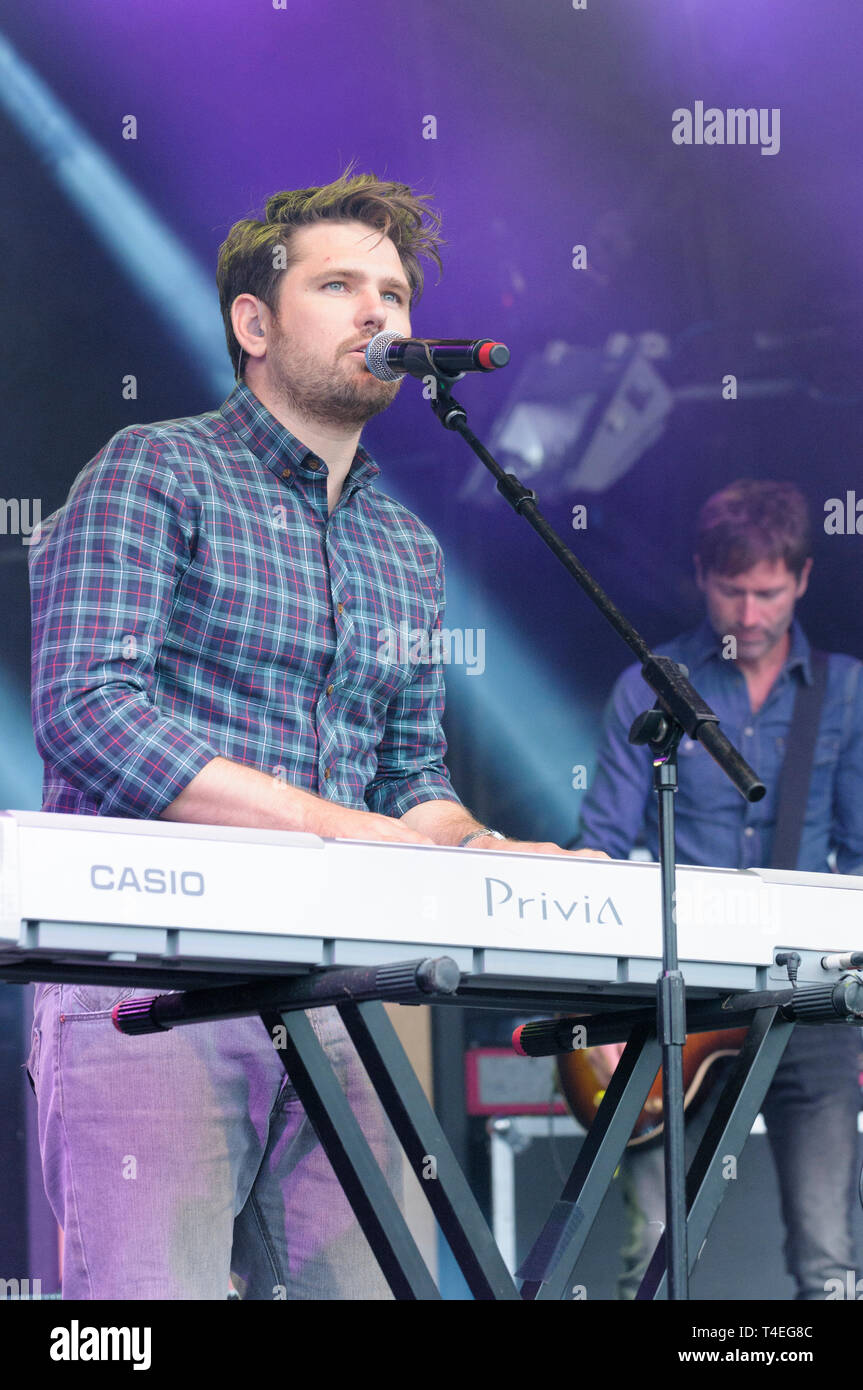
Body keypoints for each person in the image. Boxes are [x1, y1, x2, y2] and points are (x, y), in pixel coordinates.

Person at [27, 169, 603, 1300]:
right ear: (253, 321)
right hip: (150, 991)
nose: (379, 313)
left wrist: (486, 852)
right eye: (339, 284)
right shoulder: (155, 470)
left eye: (392, 291)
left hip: (340, 1001)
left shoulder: (404, 546)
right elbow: (90, 709)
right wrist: (343, 831)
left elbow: (409, 778)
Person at [573, 479, 863, 1300]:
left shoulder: (844, 694)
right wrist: (601, 1004)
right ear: (701, 576)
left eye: (767, 590)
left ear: (802, 580)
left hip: (805, 1000)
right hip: (678, 1000)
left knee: (829, 1262)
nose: (747, 612)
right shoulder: (650, 686)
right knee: (652, 1260)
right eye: (730, 589)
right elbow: (602, 849)